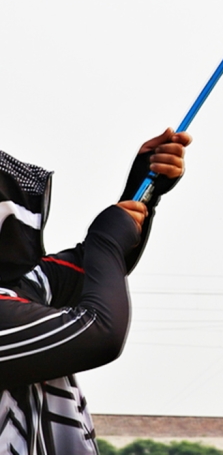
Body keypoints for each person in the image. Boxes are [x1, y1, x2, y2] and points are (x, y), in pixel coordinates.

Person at [0, 128, 191, 455]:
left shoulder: (19, 289)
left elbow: (93, 272)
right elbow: (102, 330)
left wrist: (144, 190)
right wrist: (106, 241)